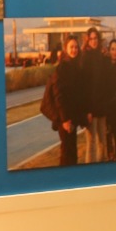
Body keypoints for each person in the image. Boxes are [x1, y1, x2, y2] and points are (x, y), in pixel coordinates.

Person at [38, 35, 89, 166]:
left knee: (71, 151)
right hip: (65, 119)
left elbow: (77, 95)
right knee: (67, 153)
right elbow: (58, 96)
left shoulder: (75, 65)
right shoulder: (63, 68)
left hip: (71, 118)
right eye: (71, 47)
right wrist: (65, 120)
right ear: (66, 49)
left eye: (76, 47)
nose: (74, 50)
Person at [78, 26, 112, 163]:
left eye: (95, 38)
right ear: (87, 40)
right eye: (91, 39)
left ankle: (102, 168)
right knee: (91, 143)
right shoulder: (85, 57)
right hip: (90, 108)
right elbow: (84, 87)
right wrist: (87, 110)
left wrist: (107, 56)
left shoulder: (101, 56)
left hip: (101, 106)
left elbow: (105, 81)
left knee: (102, 141)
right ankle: (90, 171)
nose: (93, 41)